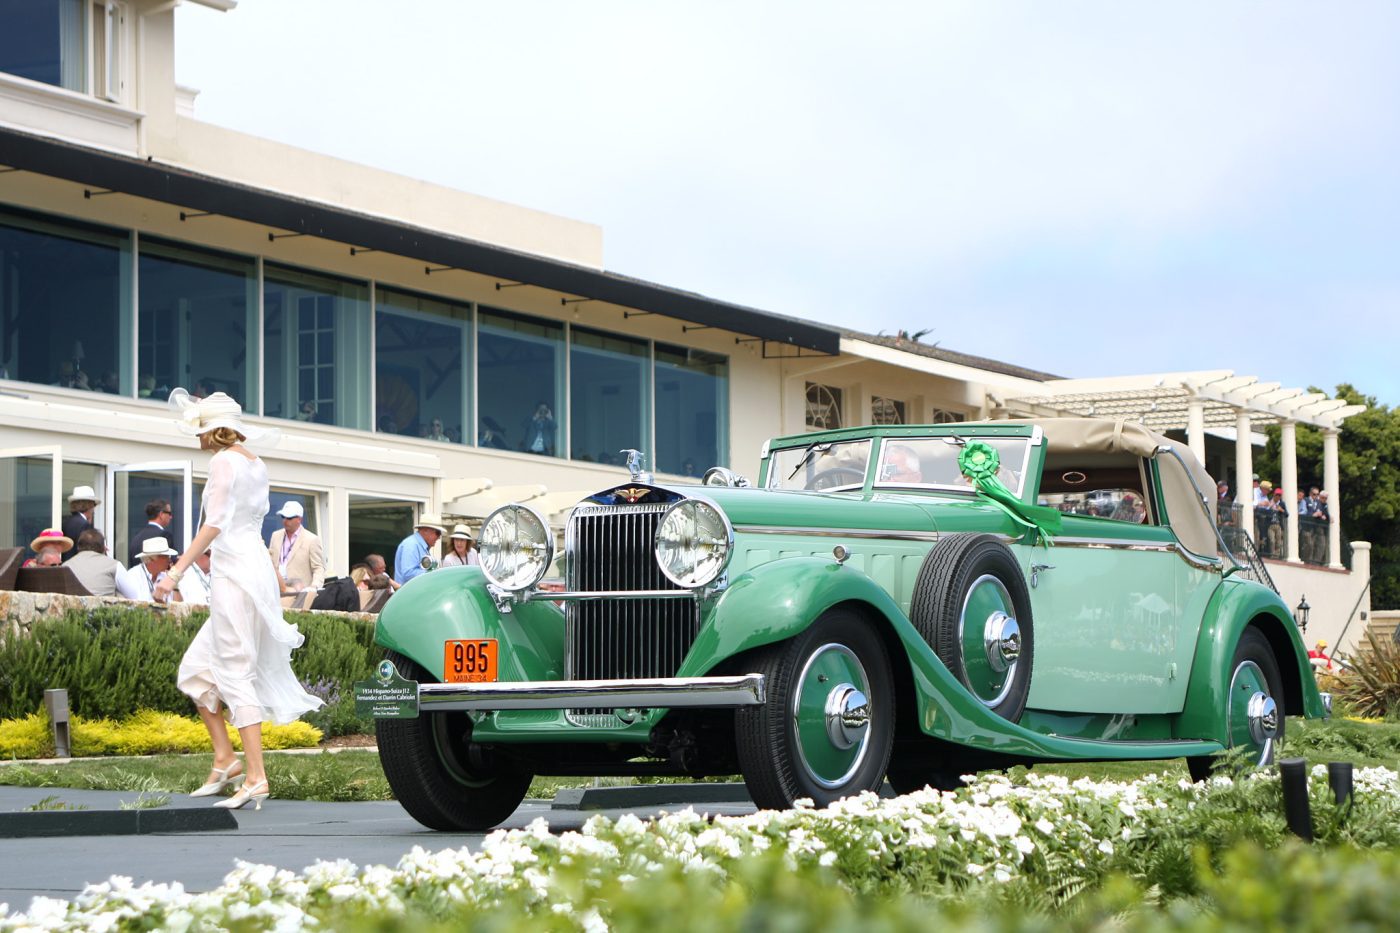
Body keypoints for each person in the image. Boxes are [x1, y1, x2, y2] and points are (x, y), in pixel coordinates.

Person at [153, 388, 322, 812]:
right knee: (195, 672)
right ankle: (226, 760)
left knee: (233, 671)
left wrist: (173, 572)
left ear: (215, 431)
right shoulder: (254, 461)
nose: (198, 438)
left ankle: (256, 777)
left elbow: (213, 525)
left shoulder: (224, 461)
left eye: (201, 430)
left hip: (236, 574)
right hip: (251, 569)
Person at [267, 501, 325, 593]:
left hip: (299, 592)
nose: (285, 520)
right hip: (276, 589)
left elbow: (318, 568)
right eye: (283, 517)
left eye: (289, 518)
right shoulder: (275, 535)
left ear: (299, 519)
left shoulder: (312, 539)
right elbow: (270, 562)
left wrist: (314, 587)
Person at [66, 529, 139, 598]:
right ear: (104, 548)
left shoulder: (66, 565)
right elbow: (134, 595)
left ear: (78, 547)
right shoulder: (114, 565)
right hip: (101, 610)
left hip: (71, 610)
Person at [122, 536, 181, 602]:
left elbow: (179, 605)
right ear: (152, 559)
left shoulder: (166, 576)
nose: (169, 560)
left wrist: (174, 584)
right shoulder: (133, 576)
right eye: (166, 556)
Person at [393, 515, 445, 584]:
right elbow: (408, 573)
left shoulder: (418, 545)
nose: (439, 537)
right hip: (409, 593)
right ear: (426, 530)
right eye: (438, 533)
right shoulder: (411, 545)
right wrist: (434, 573)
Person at [129, 499, 174, 567]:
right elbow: (171, 562)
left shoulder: (136, 538)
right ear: (161, 514)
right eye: (169, 513)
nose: (171, 517)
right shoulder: (165, 536)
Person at [62, 485, 101, 560]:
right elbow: (87, 549)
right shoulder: (84, 524)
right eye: (94, 505)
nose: (94, 509)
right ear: (89, 505)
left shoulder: (66, 522)